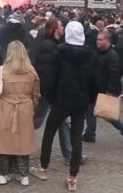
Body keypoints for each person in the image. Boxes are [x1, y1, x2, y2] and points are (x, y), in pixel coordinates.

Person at [35, 21, 96, 191]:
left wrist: (52, 98)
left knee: (49, 133)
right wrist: (88, 99)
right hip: (80, 102)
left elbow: (49, 78)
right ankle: (72, 177)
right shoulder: (90, 54)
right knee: (76, 137)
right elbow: (94, 80)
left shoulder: (59, 52)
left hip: (61, 101)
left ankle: (44, 168)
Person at [0, 41, 40, 187]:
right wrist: (31, 108)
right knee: (23, 141)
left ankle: (3, 173)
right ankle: (23, 174)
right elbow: (36, 94)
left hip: (6, 107)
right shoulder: (31, 71)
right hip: (25, 108)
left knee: (4, 140)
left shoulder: (1, 70)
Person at [30, 19, 78, 181]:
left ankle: (69, 155)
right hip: (47, 92)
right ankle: (17, 146)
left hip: (53, 92)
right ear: (54, 29)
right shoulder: (49, 46)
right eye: (61, 26)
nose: (63, 27)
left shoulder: (54, 44)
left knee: (62, 122)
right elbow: (45, 71)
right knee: (34, 121)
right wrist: (48, 92)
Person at [83, 31, 123, 148]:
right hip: (95, 87)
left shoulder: (112, 55)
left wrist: (110, 89)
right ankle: (90, 133)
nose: (98, 41)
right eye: (97, 39)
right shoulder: (98, 53)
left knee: (107, 114)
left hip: (104, 89)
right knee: (90, 110)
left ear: (108, 41)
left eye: (100, 40)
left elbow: (114, 73)